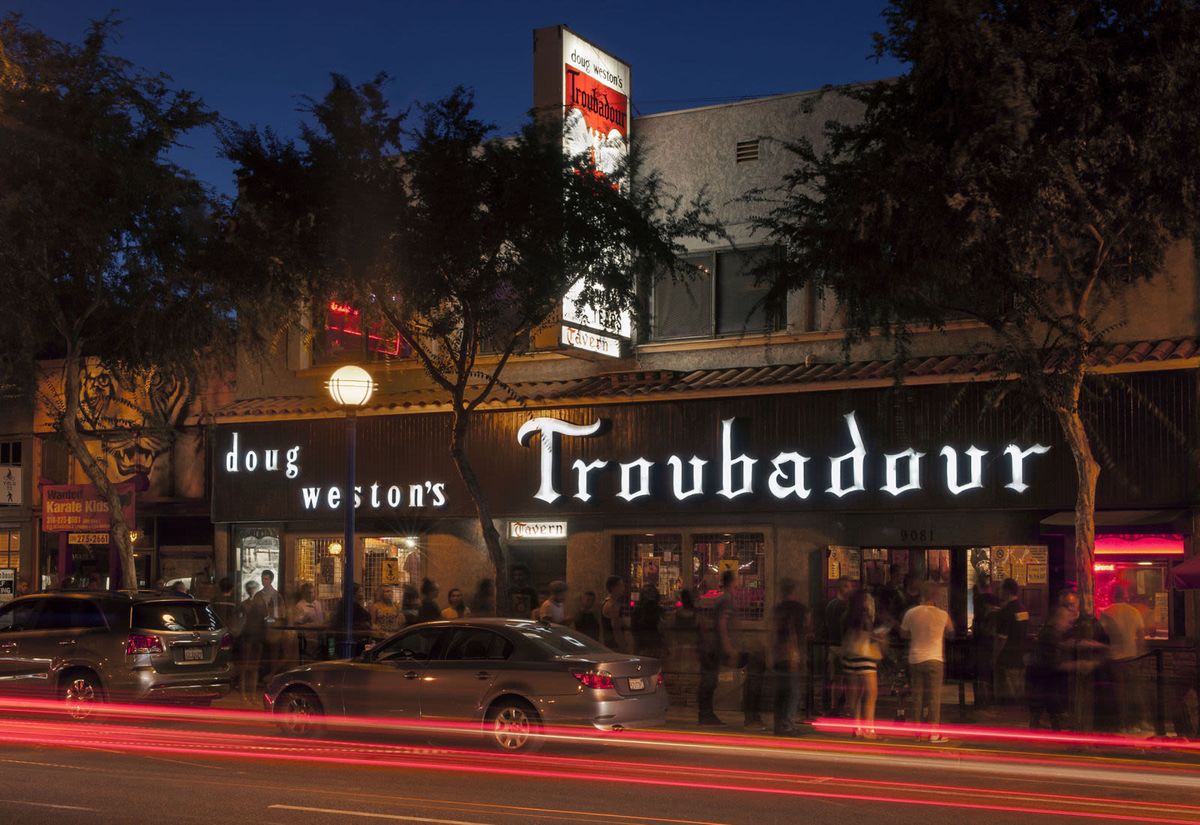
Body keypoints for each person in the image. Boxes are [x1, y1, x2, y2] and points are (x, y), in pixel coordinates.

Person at [900, 581, 954, 742]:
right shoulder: (942, 614)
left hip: (915, 658)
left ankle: (917, 732)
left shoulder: (911, 613)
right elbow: (951, 632)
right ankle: (933, 732)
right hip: (935, 658)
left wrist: (916, 635)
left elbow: (903, 634)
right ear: (936, 595)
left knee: (917, 696)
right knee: (933, 697)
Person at [696, 570, 739, 726]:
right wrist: (728, 647)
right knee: (709, 680)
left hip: (710, 646)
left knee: (709, 680)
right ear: (732, 581)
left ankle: (706, 714)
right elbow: (722, 623)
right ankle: (705, 714)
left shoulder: (721, 598)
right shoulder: (726, 599)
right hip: (713, 647)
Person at [1028, 592, 1075, 731]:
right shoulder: (1051, 634)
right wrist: (1079, 665)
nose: (1068, 623)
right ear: (1058, 619)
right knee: (1051, 711)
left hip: (1043, 682)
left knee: (1047, 712)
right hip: (1043, 682)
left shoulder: (1053, 633)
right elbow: (1054, 663)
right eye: (1066, 620)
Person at [842, 591, 884, 739]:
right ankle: (869, 729)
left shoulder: (847, 616)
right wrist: (880, 635)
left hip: (849, 657)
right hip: (865, 657)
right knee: (871, 694)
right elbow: (870, 635)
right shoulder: (865, 616)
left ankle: (856, 727)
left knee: (856, 695)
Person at [772, 578, 808, 736]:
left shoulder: (778, 609)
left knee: (781, 691)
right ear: (795, 591)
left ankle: (778, 723)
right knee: (793, 691)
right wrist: (799, 654)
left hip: (779, 654)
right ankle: (787, 724)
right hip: (792, 654)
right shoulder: (800, 609)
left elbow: (773, 631)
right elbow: (798, 632)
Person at [993, 578, 1030, 703]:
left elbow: (1001, 639)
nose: (998, 591)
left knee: (1007, 698)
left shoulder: (1005, 612)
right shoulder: (1023, 609)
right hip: (1021, 657)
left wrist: (994, 657)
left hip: (1007, 659)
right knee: (1019, 695)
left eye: (1000, 589)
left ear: (1007, 591)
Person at [823, 577, 853, 716]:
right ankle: (846, 707)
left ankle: (835, 706)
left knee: (837, 679)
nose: (850, 589)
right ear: (841, 588)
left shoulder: (830, 605)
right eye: (847, 586)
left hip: (833, 646)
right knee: (847, 678)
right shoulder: (846, 606)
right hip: (843, 647)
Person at [971, 574, 999, 709]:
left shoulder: (979, 599)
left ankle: (981, 700)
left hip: (981, 640)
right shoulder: (996, 599)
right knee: (988, 672)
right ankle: (989, 699)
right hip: (992, 639)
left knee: (980, 671)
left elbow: (978, 620)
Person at [238, 580, 265, 702]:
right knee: (246, 667)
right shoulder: (246, 604)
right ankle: (245, 695)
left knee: (253, 668)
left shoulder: (257, 603)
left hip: (255, 636)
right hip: (249, 637)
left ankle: (251, 695)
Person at [290, 582, 326, 662]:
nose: (311, 595)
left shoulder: (318, 604)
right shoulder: (300, 606)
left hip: (320, 638)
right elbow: (297, 625)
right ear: (304, 593)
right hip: (308, 639)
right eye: (309, 593)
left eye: (313, 592)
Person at [631, 586, 665, 658]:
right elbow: (662, 628)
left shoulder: (637, 610)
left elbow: (633, 629)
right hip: (656, 644)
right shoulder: (659, 609)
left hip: (642, 644)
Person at [601, 575, 630, 652]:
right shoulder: (612, 605)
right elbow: (616, 629)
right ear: (613, 587)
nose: (623, 588)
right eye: (621, 585)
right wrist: (623, 646)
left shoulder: (608, 602)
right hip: (614, 645)